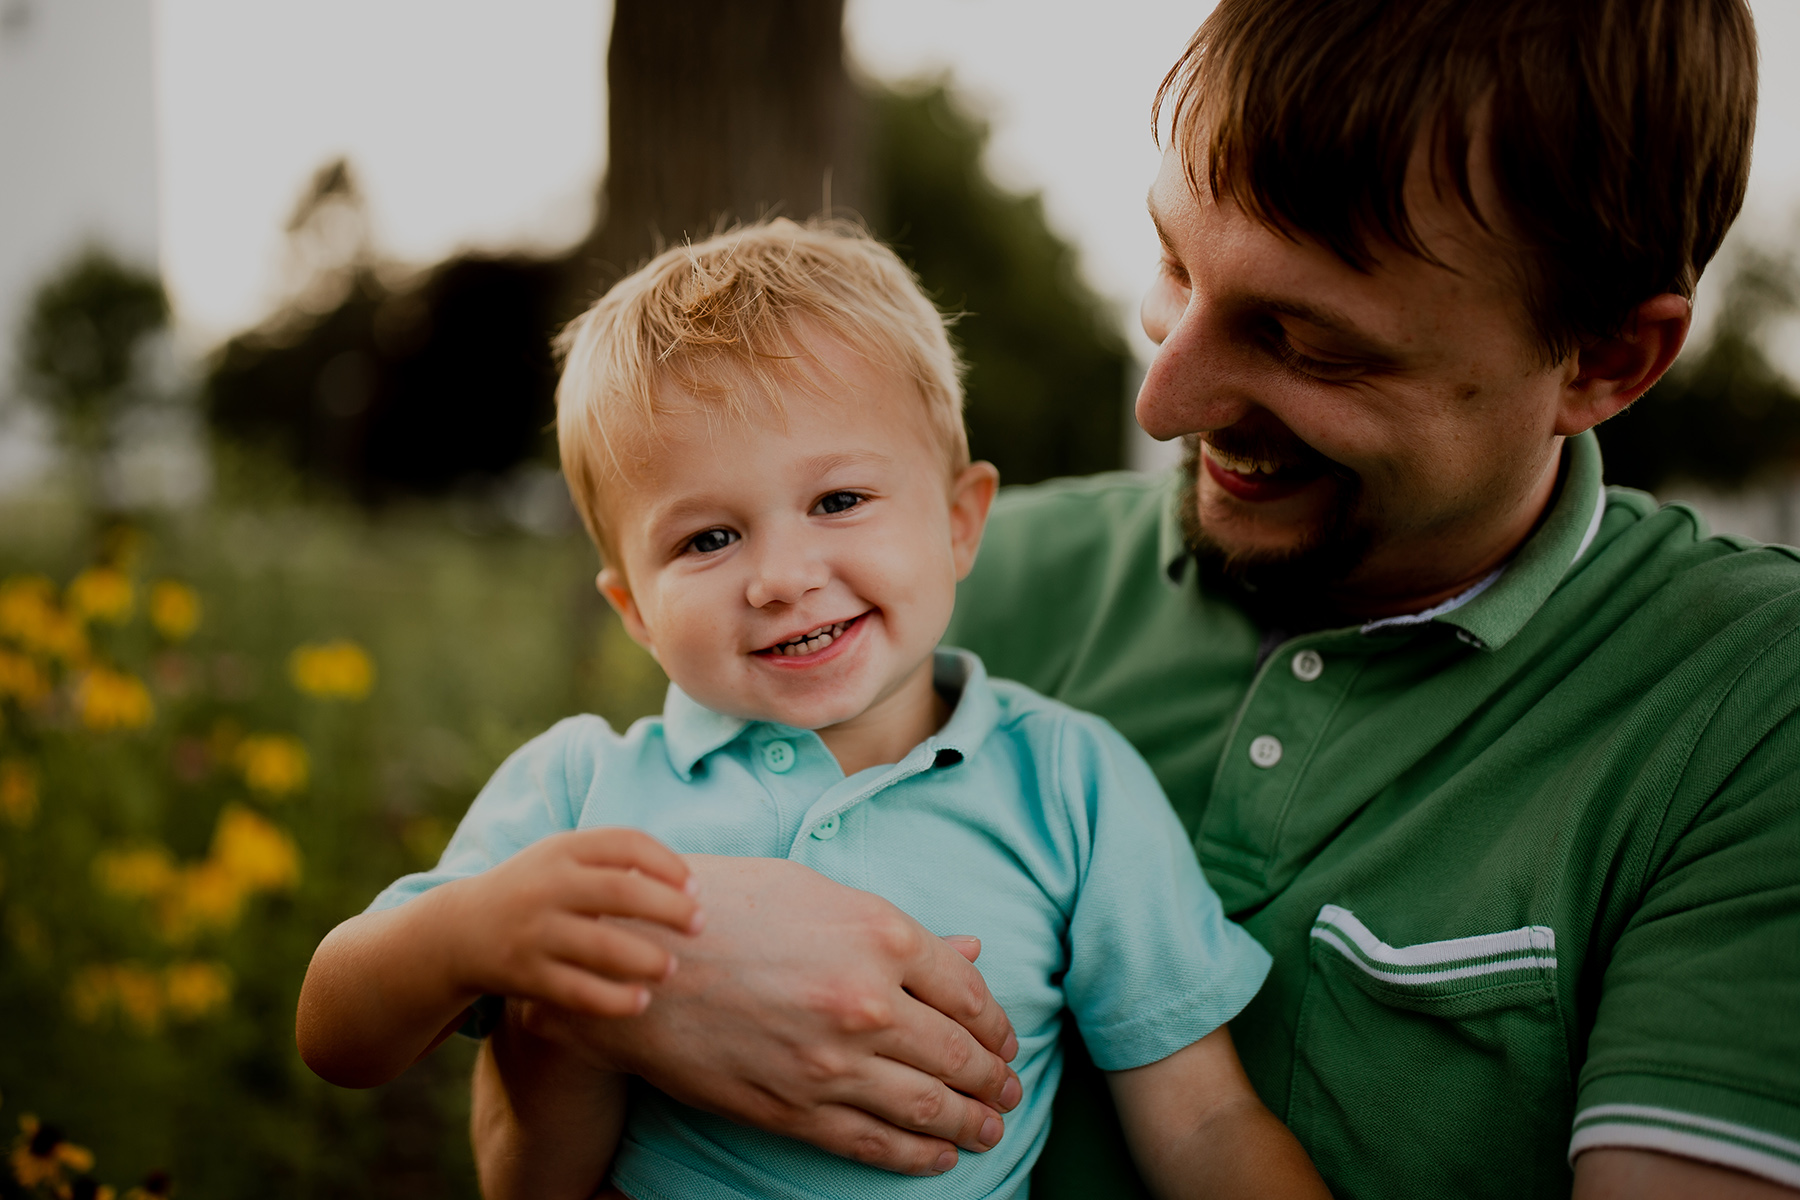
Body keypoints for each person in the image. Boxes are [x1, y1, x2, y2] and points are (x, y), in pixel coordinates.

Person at [466, 2, 1800, 1198]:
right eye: (1173, 267)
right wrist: (618, 996)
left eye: (1310, 340)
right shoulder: (899, 601)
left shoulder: (1746, 709)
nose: (1166, 400)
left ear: (1611, 359)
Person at [295, 220, 1328, 1200]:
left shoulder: (1068, 780)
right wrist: (479, 930)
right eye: (706, 540)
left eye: (838, 501)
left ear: (962, 525)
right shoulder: (584, 787)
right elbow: (338, 1032)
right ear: (634, 612)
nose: (781, 579)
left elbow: (1202, 1123)